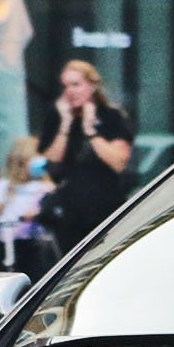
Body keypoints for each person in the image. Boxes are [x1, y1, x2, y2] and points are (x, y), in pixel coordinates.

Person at [37, 59, 134, 252]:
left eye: (76, 84)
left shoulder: (111, 116)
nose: (70, 91)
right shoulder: (57, 116)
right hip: (68, 209)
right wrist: (65, 124)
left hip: (104, 206)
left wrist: (91, 131)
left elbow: (118, 162)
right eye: (66, 86)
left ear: (92, 86)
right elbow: (50, 159)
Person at [0, 136, 56, 272]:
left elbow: (52, 207)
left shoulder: (46, 186)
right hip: (10, 241)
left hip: (38, 241)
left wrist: (39, 213)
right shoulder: (6, 185)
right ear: (21, 161)